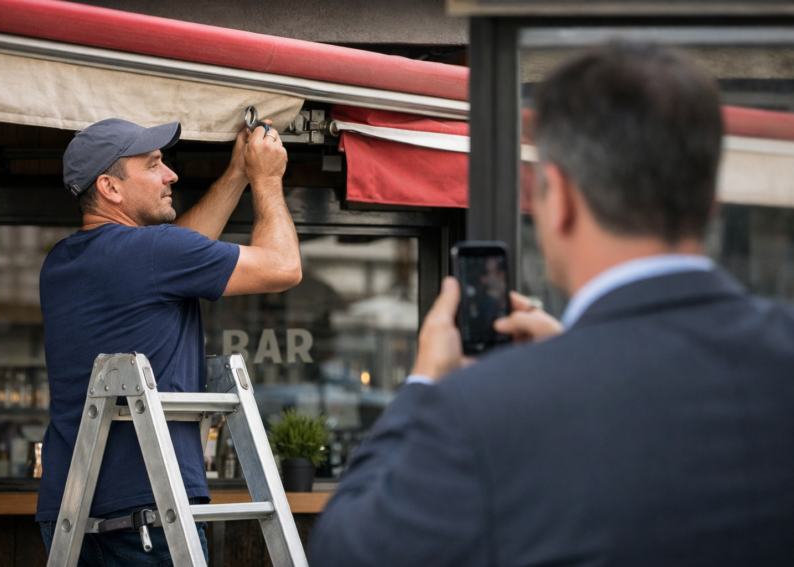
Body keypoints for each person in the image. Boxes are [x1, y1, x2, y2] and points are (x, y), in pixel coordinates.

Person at [309, 42, 794, 566]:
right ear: (711, 200)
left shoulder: (480, 412)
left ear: (558, 198)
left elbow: (348, 552)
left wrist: (425, 382)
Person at [37, 117, 301, 564]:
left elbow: (178, 249)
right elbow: (283, 267)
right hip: (150, 514)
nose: (171, 174)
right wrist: (266, 179)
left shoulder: (61, 263)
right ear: (111, 188)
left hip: (69, 512)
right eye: (154, 164)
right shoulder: (155, 253)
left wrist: (236, 173)